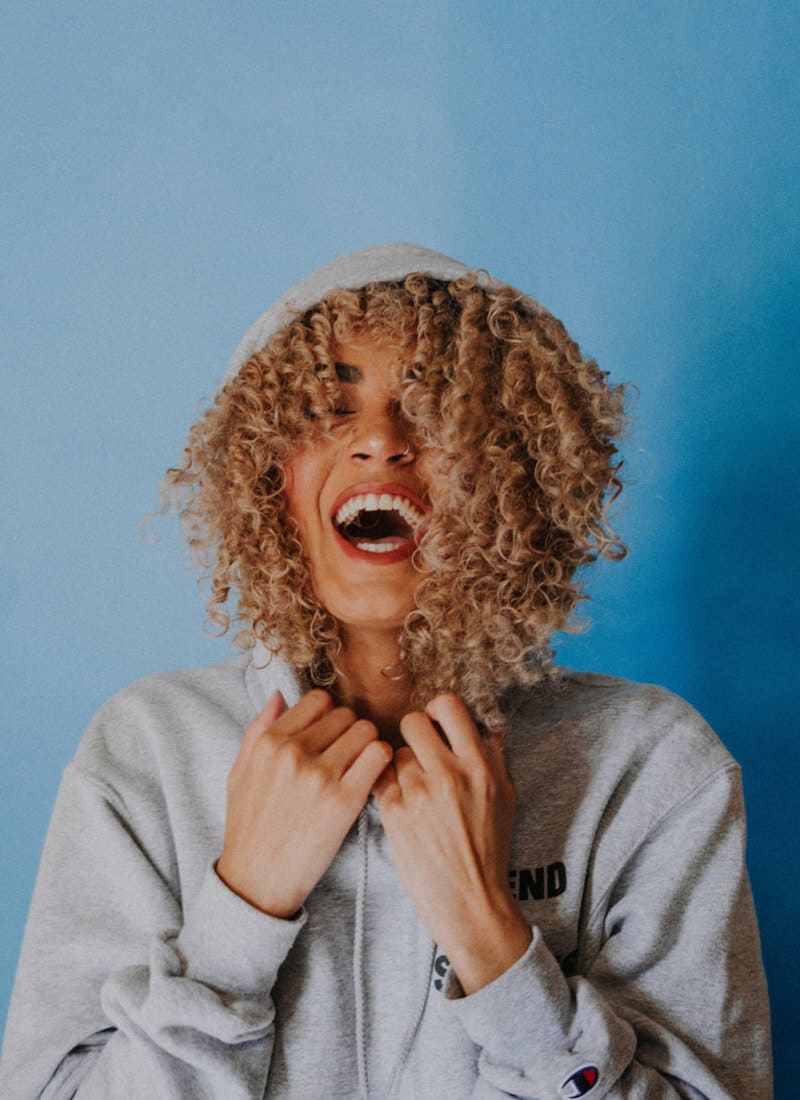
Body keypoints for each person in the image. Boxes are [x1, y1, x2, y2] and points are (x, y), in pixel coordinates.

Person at [0, 243, 772, 1098]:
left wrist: (492, 939)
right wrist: (240, 914)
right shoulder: (147, 751)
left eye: (437, 409)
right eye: (327, 408)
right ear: (264, 474)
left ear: (515, 470)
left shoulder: (652, 768)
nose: (379, 441)